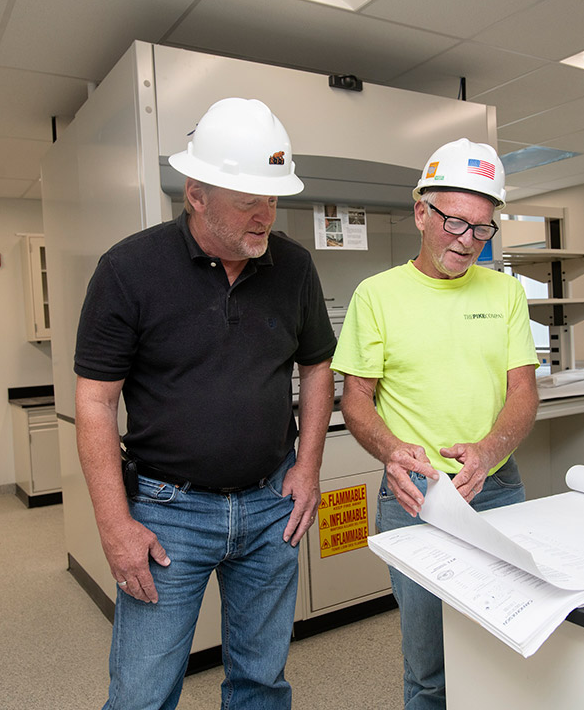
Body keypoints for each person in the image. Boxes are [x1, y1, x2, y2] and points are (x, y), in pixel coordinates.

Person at [74, 97, 336, 710]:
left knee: (260, 681)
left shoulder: (293, 266)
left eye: (273, 199)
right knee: (142, 692)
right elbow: (95, 403)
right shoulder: (129, 269)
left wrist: (308, 465)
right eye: (249, 201)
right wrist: (114, 525)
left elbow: (317, 363)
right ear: (196, 194)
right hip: (168, 515)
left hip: (271, 506)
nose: (265, 216)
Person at [331, 138, 540, 709]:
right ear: (421, 211)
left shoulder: (505, 292)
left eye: (481, 227)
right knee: (431, 668)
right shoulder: (376, 296)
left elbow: (523, 390)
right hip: (415, 496)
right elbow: (356, 399)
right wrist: (394, 451)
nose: (466, 240)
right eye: (453, 221)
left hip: (496, 487)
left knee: (513, 644)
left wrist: (491, 448)